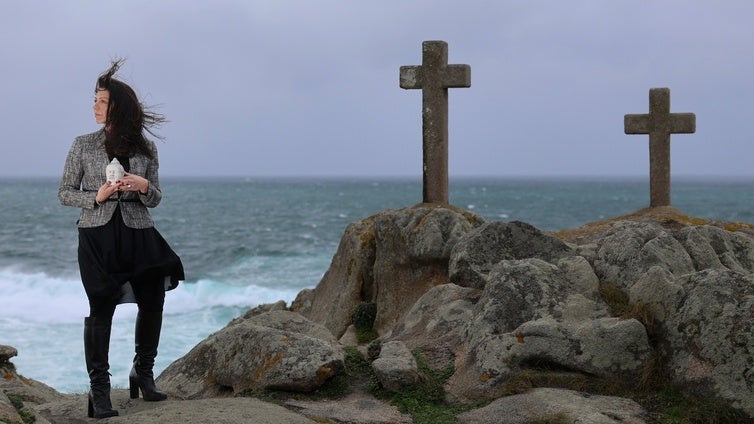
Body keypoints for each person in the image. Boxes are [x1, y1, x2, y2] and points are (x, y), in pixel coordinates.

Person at [59, 59, 184, 419]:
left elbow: (157, 197)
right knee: (101, 307)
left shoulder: (146, 149)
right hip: (97, 237)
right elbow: (65, 192)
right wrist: (95, 197)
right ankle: (99, 392)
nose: (94, 107)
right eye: (94, 101)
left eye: (101, 101)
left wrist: (144, 186)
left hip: (139, 233)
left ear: (118, 107)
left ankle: (142, 373)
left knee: (153, 299)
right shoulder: (82, 145)